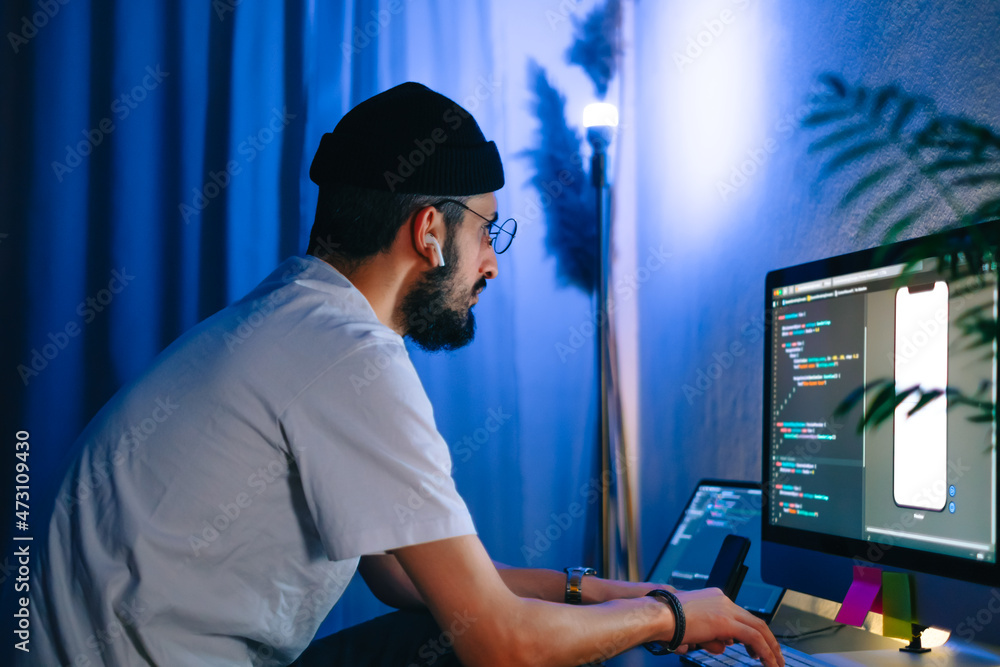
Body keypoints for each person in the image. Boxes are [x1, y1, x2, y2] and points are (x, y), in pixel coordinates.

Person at [26, 82, 783, 667]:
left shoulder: (290, 315)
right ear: (430, 232)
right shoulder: (347, 354)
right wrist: (671, 618)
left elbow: (397, 572)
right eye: (487, 231)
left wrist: (611, 593)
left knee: (439, 634)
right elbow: (503, 645)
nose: (491, 264)